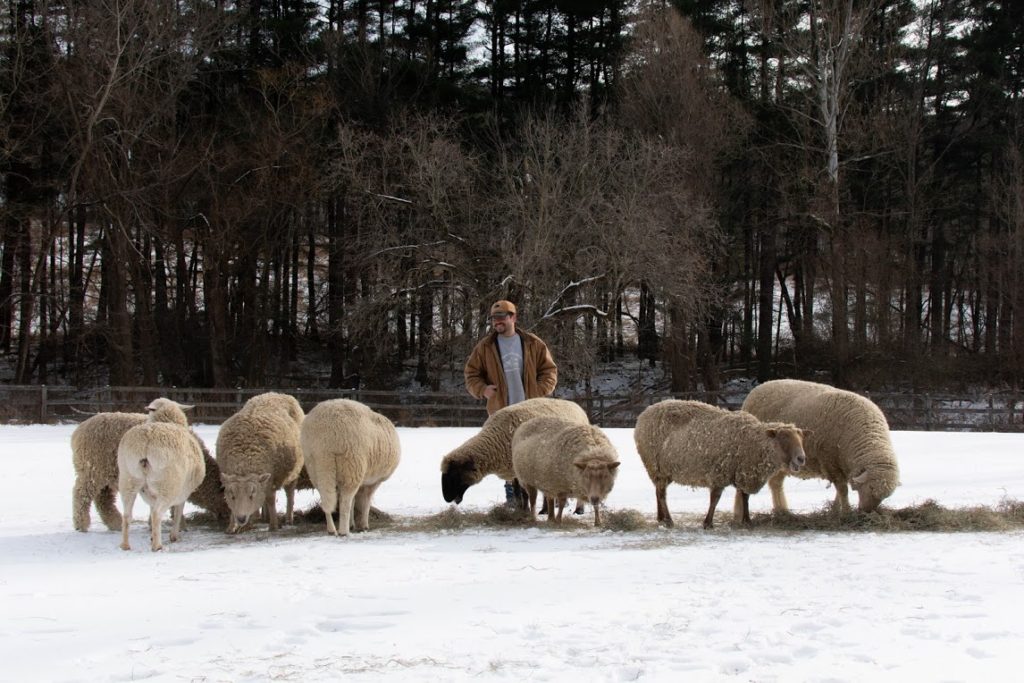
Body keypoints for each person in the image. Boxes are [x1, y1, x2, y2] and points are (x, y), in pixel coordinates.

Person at [464, 300, 557, 508]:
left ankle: (545, 498)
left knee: (536, 453)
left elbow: (550, 371)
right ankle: (513, 498)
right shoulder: (485, 347)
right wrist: (483, 389)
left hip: (532, 411)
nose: (497, 322)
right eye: (494, 319)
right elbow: (471, 374)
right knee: (507, 456)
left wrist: (539, 390)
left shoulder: (533, 343)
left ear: (513, 317)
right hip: (501, 413)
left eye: (501, 318)